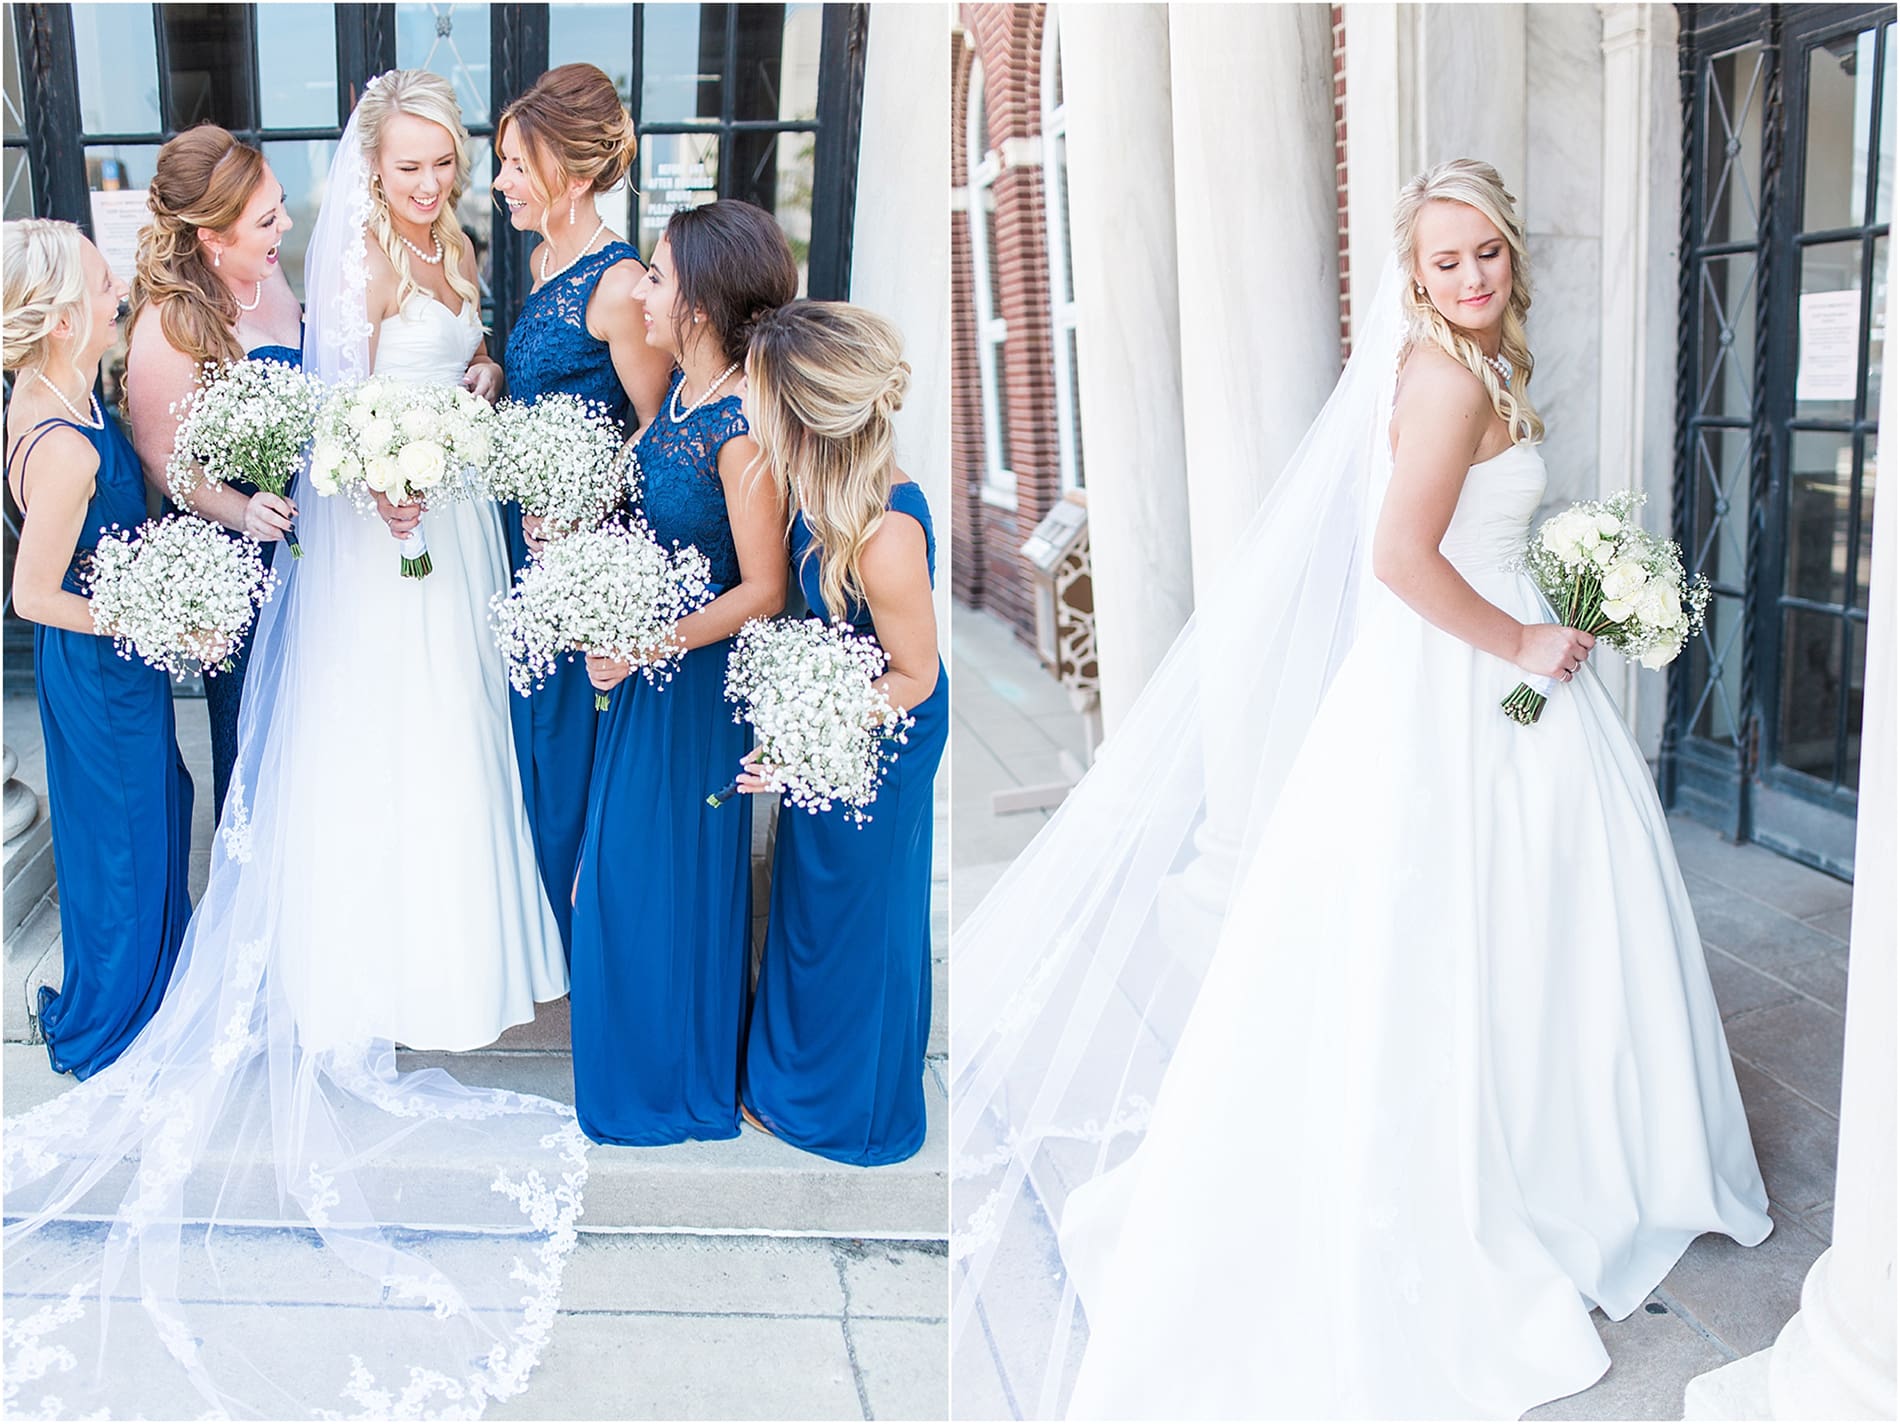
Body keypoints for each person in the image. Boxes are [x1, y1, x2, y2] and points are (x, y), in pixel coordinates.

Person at [950, 159, 1771, 1419]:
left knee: (1520, 924)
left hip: (1483, 682)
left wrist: (1564, 590)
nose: (1469, 276)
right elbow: (1397, 556)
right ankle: (1524, 1165)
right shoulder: (1444, 376)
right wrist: (1523, 643)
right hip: (1469, 686)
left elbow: (1470, 536)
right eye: (1443, 261)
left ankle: (1553, 1140)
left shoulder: (1486, 363)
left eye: (1484, 251)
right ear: (1414, 273)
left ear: (1510, 251)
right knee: (1479, 923)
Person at [2, 73, 581, 1420]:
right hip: (365, 541)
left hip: (452, 528)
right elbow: (323, 414)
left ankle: (460, 958)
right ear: (373, 169)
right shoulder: (335, 270)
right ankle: (336, 967)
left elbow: (420, 371)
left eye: (449, 167)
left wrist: (473, 383)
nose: (433, 188)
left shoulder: (445, 251)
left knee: (453, 747)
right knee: (359, 753)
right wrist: (364, 472)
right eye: (415, 167)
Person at [568, 199, 795, 1146]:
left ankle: (675, 1078)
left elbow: (766, 589)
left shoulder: (739, 423)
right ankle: (647, 1062)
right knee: (624, 875)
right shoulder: (685, 401)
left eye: (657, 276)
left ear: (698, 304)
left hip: (694, 686)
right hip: (645, 674)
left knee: (651, 876)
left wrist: (648, 644)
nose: (641, 292)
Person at [735, 301, 947, 1166]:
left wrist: (798, 733)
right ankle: (793, 1084)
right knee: (808, 912)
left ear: (801, 416)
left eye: (758, 398)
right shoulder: (811, 494)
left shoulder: (886, 533)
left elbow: (916, 677)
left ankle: (852, 1112)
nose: (746, 411)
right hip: (831, 727)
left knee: (858, 925)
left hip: (881, 739)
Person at [3, 219, 191, 1079]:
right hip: (101, 667)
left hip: (117, 660)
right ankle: (124, 1015)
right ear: (65, 318)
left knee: (143, 818)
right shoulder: (66, 450)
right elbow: (34, 596)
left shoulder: (68, 392)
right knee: (121, 838)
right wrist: (146, 612)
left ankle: (147, 986)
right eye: (101, 284)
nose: (118, 290)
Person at [492, 62, 673, 952]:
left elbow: (659, 429)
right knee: (535, 740)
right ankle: (544, 935)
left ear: (566, 170)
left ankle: (589, 943)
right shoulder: (540, 259)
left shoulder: (619, 285)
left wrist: (578, 500)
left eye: (516, 166)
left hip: (587, 556)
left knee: (574, 751)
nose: (499, 184)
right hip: (525, 544)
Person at [123, 125, 305, 822]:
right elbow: (163, 461)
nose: (284, 226)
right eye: (267, 220)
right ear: (213, 237)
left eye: (280, 206)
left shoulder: (270, 275)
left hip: (309, 539)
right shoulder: (171, 321)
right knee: (255, 737)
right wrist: (240, 509)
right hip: (240, 564)